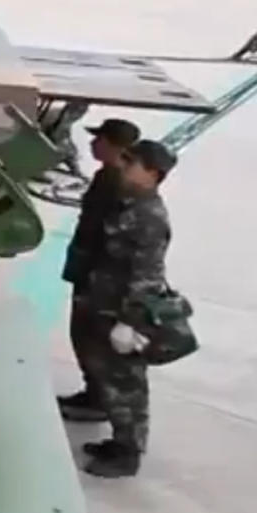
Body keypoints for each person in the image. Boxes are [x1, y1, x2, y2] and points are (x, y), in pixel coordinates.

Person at [73, 139, 176, 479]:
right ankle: (117, 442)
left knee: (127, 384)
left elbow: (148, 275)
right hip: (103, 303)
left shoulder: (149, 217)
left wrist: (130, 322)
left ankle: (128, 452)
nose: (123, 167)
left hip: (122, 310)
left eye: (132, 163)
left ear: (152, 173)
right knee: (108, 377)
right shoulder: (127, 203)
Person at [58, 118, 141, 424]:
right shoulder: (108, 176)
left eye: (99, 139)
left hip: (100, 276)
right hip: (91, 268)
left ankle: (101, 400)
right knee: (84, 335)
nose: (93, 144)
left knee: (91, 337)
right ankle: (94, 393)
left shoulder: (117, 181)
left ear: (114, 145)